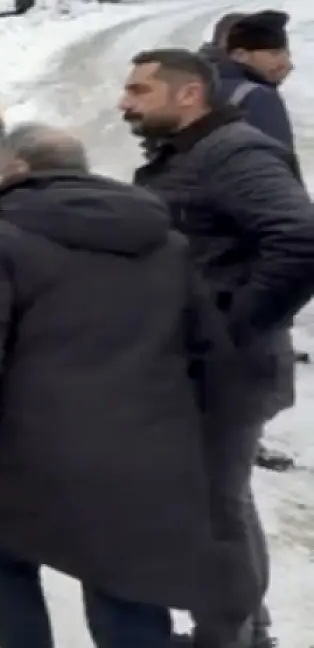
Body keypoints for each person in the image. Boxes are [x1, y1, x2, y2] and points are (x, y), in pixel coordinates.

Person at [0, 123, 231, 648]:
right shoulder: (167, 242)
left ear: (16, 170)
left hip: (34, 447)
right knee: (127, 584)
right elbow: (208, 345)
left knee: (4, 556)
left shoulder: (0, 239)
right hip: (146, 452)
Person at [121, 48, 314, 648]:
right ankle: (245, 632)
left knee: (216, 511)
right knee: (220, 502)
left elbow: (301, 241)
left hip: (229, 367)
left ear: (188, 95)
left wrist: (229, 326)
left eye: (139, 91)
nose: (124, 102)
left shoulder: (232, 153)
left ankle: (226, 639)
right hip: (203, 365)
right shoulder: (189, 155)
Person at [215, 10, 297, 167]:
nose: (287, 64)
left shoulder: (206, 85)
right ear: (240, 55)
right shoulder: (257, 96)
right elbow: (276, 164)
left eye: (287, 54)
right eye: (274, 54)